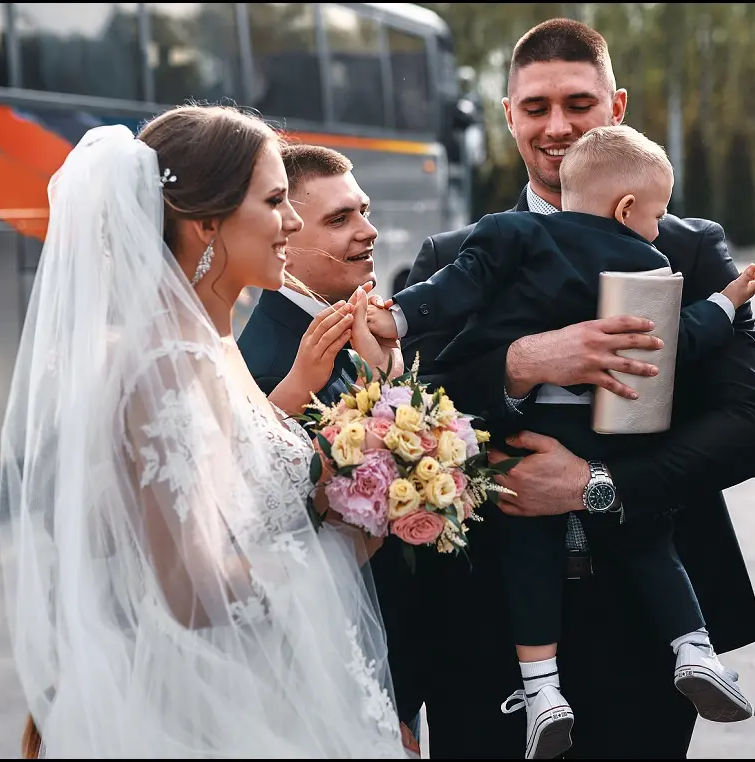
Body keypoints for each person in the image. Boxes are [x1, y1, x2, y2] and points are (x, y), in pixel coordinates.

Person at [404, 19, 755, 760]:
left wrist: (593, 485)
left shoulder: (688, 247)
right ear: (508, 115)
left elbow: (748, 427)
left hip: (647, 620)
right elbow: (411, 417)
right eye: (535, 107)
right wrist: (520, 364)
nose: (557, 126)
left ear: (617, 107)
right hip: (488, 620)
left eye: (578, 103)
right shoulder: (455, 256)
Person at [0, 105, 413, 758]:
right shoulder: (169, 360)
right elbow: (190, 590)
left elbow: (237, 473)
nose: (293, 221)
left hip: (260, 683)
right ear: (206, 223)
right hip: (205, 715)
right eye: (275, 201)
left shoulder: (207, 341)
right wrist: (346, 540)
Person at [237, 142, 423, 751]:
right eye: (340, 219)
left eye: (364, 211)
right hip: (339, 672)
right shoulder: (270, 365)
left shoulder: (347, 326)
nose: (368, 231)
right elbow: (294, 550)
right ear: (285, 233)